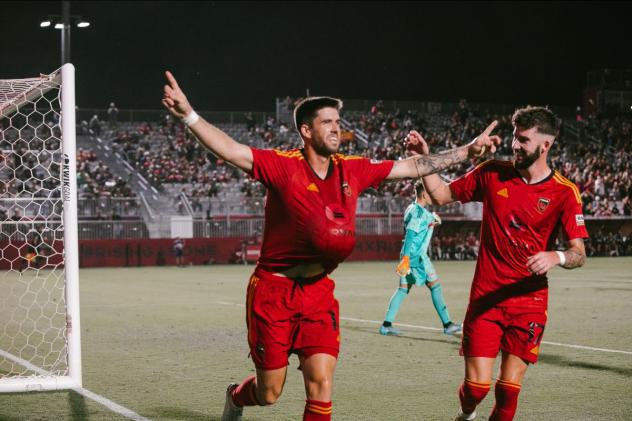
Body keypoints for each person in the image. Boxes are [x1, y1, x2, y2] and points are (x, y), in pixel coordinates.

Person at [161, 70, 500, 421]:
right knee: (270, 392)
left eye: (338, 121)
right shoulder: (282, 166)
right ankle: (235, 397)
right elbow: (231, 150)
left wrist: (468, 151)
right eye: (327, 122)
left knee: (321, 383)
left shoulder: (352, 169)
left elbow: (412, 166)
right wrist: (189, 114)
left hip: (318, 293)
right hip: (274, 292)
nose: (336, 128)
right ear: (306, 131)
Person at [409, 106, 588, 421]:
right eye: (515, 138)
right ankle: (466, 413)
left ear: (545, 145)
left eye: (524, 139)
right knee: (476, 388)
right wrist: (425, 159)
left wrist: (555, 256)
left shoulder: (565, 192)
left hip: (529, 303)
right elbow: (439, 195)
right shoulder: (492, 172)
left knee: (507, 394)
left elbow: (579, 253)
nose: (515, 145)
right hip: (486, 300)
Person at [380, 180, 462, 336]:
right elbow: (411, 234)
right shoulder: (420, 213)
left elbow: (418, 228)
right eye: (431, 192)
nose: (433, 195)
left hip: (408, 255)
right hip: (416, 257)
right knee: (435, 286)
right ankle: (448, 324)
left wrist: (432, 221)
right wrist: (406, 259)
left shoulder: (412, 208)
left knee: (403, 290)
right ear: (424, 194)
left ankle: (386, 325)